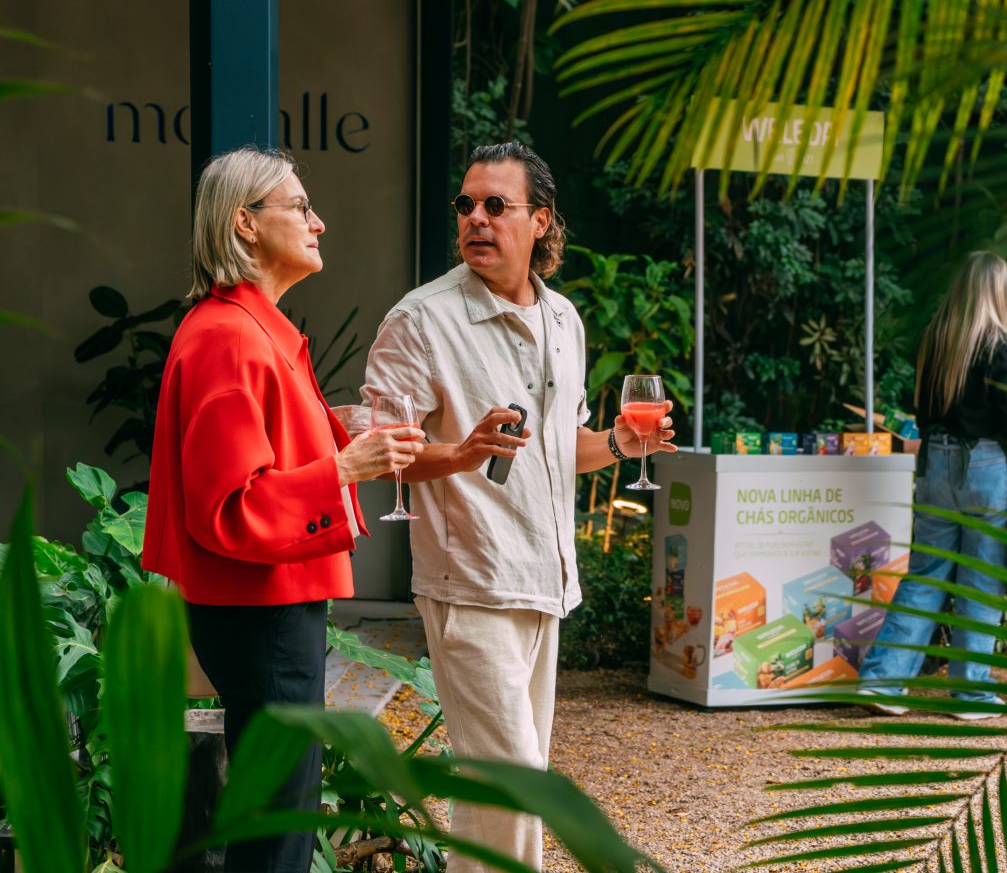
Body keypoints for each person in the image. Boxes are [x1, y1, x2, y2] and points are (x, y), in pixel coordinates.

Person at [360, 141, 676, 871]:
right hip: (470, 583)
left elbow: (561, 449)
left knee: (501, 788)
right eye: (466, 205)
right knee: (515, 786)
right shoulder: (420, 320)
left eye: (495, 205)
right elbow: (384, 454)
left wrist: (622, 444)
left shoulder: (564, 320)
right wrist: (464, 453)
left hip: (545, 584)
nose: (475, 217)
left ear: (540, 221)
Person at [143, 146, 424, 872]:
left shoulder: (248, 328)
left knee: (277, 821)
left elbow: (259, 453)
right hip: (261, 607)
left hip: (268, 603)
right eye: (300, 207)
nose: (318, 222)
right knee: (275, 833)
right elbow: (227, 506)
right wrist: (343, 466)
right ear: (245, 224)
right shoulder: (230, 337)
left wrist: (333, 429)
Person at [857, 251, 1007, 720]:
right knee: (980, 581)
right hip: (987, 468)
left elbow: (922, 413)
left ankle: (882, 681)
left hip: (935, 464)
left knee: (927, 574)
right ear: (998, 292)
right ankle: (971, 694)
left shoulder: (936, 341)